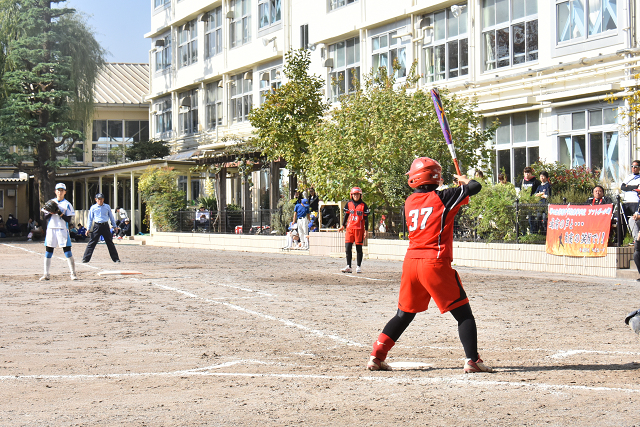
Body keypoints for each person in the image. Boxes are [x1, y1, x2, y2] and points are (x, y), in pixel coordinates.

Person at [366, 157, 492, 374]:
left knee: (403, 314)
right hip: (435, 262)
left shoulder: (409, 201)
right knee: (463, 314)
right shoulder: (443, 197)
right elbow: (475, 186)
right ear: (434, 177)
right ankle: (473, 359)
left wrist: (460, 191)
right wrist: (463, 180)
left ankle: (376, 356)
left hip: (411, 263)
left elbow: (452, 202)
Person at [40, 183, 77, 281]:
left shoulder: (67, 204)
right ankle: (46, 274)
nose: (60, 192)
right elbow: (45, 217)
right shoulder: (51, 202)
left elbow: (69, 220)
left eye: (62, 190)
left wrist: (59, 212)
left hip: (62, 229)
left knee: (67, 251)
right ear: (55, 191)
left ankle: (73, 274)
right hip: (51, 228)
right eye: (58, 190)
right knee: (48, 251)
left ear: (65, 192)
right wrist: (51, 212)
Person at [337, 187, 370, 273]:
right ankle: (349, 266)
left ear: (360, 195)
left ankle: (358, 266)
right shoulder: (349, 204)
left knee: (359, 248)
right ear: (351, 195)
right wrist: (342, 226)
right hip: (349, 229)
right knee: (348, 247)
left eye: (357, 194)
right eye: (354, 194)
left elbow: (366, 219)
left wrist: (366, 230)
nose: (356, 196)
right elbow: (346, 216)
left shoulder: (363, 205)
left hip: (359, 229)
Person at [82, 193, 121, 263]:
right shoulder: (93, 207)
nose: (100, 201)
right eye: (99, 199)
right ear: (96, 200)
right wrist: (88, 229)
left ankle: (116, 259)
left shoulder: (107, 207)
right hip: (97, 226)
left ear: (103, 199)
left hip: (105, 226)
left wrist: (115, 226)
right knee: (92, 242)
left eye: (102, 199)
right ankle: (85, 259)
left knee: (110, 243)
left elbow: (111, 217)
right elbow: (90, 219)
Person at [621, 160, 640, 239]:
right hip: (626, 201)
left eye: (636, 167)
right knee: (622, 219)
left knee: (635, 219)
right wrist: (633, 187)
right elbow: (622, 187)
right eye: (632, 166)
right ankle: (620, 239)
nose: (633, 168)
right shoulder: (629, 177)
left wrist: (628, 187)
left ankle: (636, 239)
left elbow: (638, 187)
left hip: (635, 201)